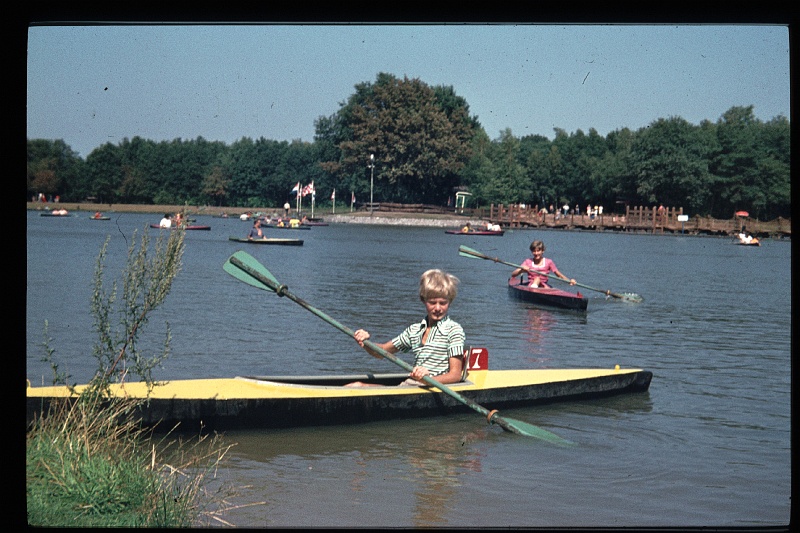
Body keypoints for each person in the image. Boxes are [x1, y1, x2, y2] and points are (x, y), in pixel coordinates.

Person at [345, 269, 465, 388]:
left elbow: (455, 375)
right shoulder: (414, 330)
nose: (438, 308)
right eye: (432, 303)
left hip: (432, 389)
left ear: (450, 302)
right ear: (423, 300)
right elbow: (382, 352)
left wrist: (428, 380)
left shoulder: (454, 330)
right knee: (355, 386)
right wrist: (365, 342)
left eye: (443, 303)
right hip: (410, 385)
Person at [510, 240, 576, 288]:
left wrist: (569, 281)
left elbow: (559, 275)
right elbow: (513, 275)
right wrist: (522, 269)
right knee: (537, 279)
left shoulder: (549, 262)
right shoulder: (528, 261)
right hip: (531, 285)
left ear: (542, 251)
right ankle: (534, 288)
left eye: (538, 251)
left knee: (542, 284)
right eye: (534, 251)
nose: (536, 253)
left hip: (544, 286)